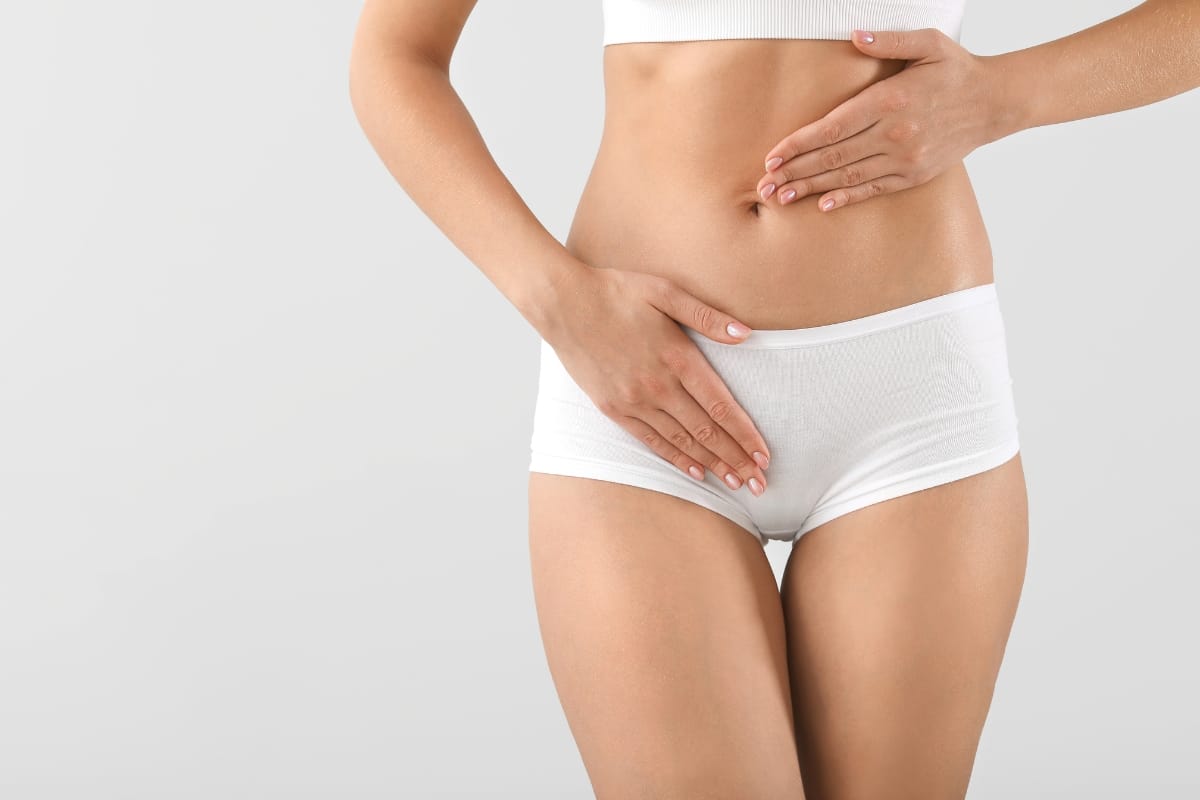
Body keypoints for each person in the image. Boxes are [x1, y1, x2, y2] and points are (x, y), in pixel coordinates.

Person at [348, 2, 1200, 797]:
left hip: (908, 391)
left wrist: (1003, 96)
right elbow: (395, 54)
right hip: (638, 399)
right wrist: (560, 304)